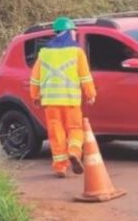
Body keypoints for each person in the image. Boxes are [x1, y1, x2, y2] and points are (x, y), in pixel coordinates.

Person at [30, 17, 97, 178]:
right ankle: (74, 152)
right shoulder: (77, 52)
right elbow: (85, 76)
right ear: (69, 32)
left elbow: (35, 78)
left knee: (56, 132)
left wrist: (35, 96)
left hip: (50, 103)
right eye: (74, 31)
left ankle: (60, 166)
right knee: (75, 129)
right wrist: (91, 94)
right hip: (70, 101)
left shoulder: (44, 53)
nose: (75, 34)